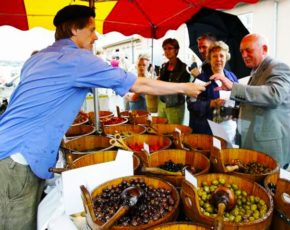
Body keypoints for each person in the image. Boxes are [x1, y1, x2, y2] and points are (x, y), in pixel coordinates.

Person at [0, 5, 206, 229]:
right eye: (91, 29)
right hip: (18, 160)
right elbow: (139, 83)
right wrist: (185, 87)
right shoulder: (77, 59)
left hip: (12, 149)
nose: (96, 36)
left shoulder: (39, 58)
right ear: (74, 30)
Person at [210, 33, 290, 169]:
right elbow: (256, 103)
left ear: (264, 49)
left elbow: (274, 95)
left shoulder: (278, 67)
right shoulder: (257, 70)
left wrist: (234, 88)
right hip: (255, 142)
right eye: (241, 51)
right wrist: (233, 111)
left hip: (270, 148)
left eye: (248, 50)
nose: (244, 55)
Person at [187, 41, 238, 145]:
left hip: (229, 128)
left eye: (221, 56)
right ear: (209, 59)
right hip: (207, 130)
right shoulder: (201, 79)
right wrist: (211, 103)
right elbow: (191, 104)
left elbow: (238, 100)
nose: (218, 59)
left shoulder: (232, 77)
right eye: (214, 56)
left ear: (226, 58)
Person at [158, 38, 191, 124]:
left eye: (170, 48)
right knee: (161, 129)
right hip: (162, 102)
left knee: (174, 132)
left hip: (175, 106)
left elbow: (185, 89)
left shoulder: (184, 68)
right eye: (165, 49)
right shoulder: (164, 67)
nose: (167, 51)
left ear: (176, 50)